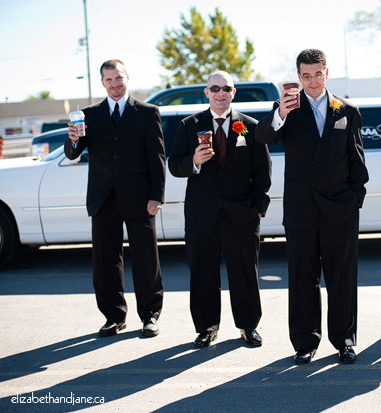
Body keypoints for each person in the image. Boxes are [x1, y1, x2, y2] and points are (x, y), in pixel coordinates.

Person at [256, 49, 369, 364]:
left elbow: (357, 162)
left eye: (318, 74)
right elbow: (263, 135)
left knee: (342, 279)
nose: (312, 80)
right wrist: (280, 112)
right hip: (301, 211)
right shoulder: (287, 109)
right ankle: (305, 342)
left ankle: (344, 341)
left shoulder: (347, 110)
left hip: (340, 211)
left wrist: (354, 201)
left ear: (326, 73)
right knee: (303, 279)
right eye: (306, 75)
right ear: (299, 77)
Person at [168, 71, 271, 348]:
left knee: (245, 273)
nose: (221, 93)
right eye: (215, 88)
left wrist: (258, 208)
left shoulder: (250, 126)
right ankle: (206, 328)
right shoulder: (189, 125)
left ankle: (248, 326)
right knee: (203, 273)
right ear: (206, 92)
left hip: (242, 215)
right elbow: (174, 164)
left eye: (226, 88)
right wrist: (194, 160)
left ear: (234, 92)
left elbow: (262, 172)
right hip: (202, 215)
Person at [64, 59, 165, 338]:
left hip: (140, 198)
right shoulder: (88, 115)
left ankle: (150, 316)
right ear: (102, 83)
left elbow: (157, 158)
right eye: (109, 80)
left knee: (146, 259)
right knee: (106, 261)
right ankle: (114, 316)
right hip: (103, 198)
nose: (115, 84)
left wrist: (157, 196)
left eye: (119, 78)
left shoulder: (147, 112)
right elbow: (73, 152)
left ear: (127, 77)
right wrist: (72, 138)